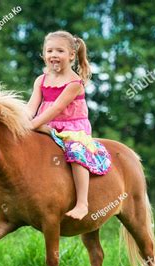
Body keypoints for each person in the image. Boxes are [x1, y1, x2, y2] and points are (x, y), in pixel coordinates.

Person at [27, 30, 111, 220]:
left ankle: (82, 203)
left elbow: (56, 108)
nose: (53, 55)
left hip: (72, 129)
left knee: (76, 151)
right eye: (49, 51)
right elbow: (31, 107)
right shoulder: (40, 80)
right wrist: (21, 122)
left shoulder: (74, 83)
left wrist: (32, 125)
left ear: (72, 55)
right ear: (43, 54)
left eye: (60, 51)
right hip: (46, 125)